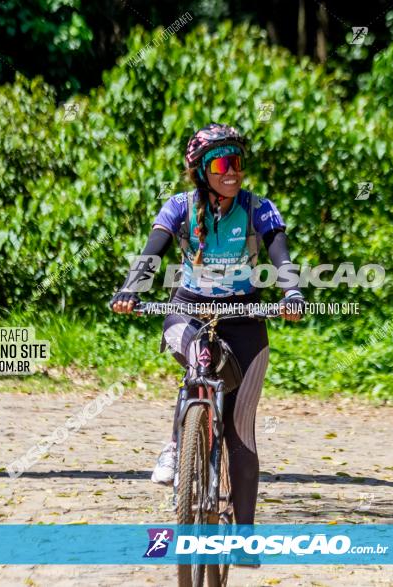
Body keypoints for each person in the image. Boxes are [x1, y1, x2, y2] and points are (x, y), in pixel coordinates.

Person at [110, 123, 304, 528]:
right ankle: (179, 444)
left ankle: (245, 535)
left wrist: (291, 294)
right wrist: (130, 289)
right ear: (201, 170)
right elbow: (152, 254)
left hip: (244, 319)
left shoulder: (258, 208)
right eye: (222, 163)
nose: (232, 171)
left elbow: (280, 257)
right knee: (195, 357)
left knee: (239, 431)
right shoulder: (178, 207)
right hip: (189, 312)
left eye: (237, 162)